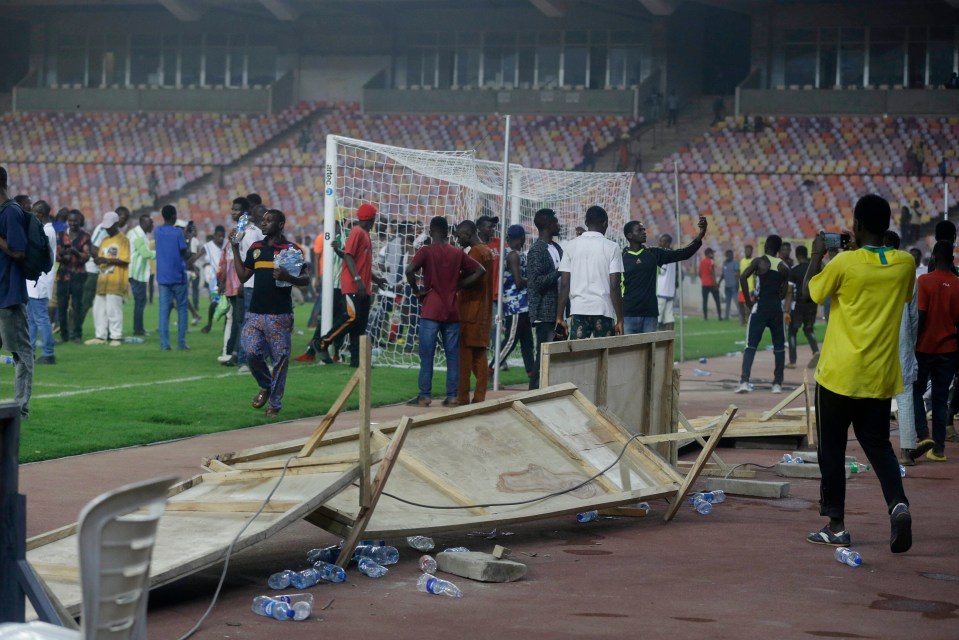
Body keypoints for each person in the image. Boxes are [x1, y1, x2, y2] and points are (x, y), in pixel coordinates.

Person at [802, 194, 914, 554]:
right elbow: (902, 292)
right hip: (879, 376)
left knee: (832, 449)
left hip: (838, 374)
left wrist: (819, 253)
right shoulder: (905, 263)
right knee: (879, 446)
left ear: (857, 226)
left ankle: (836, 526)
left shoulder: (845, 263)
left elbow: (811, 292)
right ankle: (898, 504)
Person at [232, 209, 308, 416]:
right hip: (255, 313)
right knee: (250, 352)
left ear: (281, 224)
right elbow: (242, 276)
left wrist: (288, 277)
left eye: (268, 221)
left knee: (280, 361)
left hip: (280, 315)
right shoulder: (256, 248)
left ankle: (274, 405)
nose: (263, 224)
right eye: (263, 221)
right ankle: (266, 385)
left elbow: (306, 280)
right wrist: (234, 247)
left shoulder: (291, 250)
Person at [405, 216, 484, 407]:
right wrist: (460, 285)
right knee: (453, 356)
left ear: (431, 232)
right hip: (452, 310)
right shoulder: (457, 252)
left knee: (427, 355)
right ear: (448, 232)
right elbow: (480, 270)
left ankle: (424, 396)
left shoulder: (426, 251)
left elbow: (409, 270)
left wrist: (416, 291)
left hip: (431, 308)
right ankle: (452, 396)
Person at [307, 203, 383, 368]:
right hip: (354, 285)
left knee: (359, 326)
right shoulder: (357, 232)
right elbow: (349, 257)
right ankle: (321, 342)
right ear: (372, 218)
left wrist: (376, 280)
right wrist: (357, 280)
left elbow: (360, 262)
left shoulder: (364, 234)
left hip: (363, 286)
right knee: (352, 317)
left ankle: (356, 362)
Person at [913, 240, 959, 462]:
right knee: (941, 399)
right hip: (949, 350)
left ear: (933, 258)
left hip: (924, 347)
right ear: (952, 260)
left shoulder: (924, 281)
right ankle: (939, 449)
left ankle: (923, 435)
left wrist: (914, 342)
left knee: (914, 391)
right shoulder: (958, 284)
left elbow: (921, 314)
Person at [883, 230, 925, 468]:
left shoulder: (873, 270)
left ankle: (880, 449)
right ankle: (907, 451)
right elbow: (914, 315)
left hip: (877, 339)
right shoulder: (908, 271)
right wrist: (911, 342)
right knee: (905, 393)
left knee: (877, 395)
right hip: (902, 339)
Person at [621, 218, 706, 334]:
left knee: (649, 352)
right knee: (627, 352)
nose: (644, 232)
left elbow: (682, 254)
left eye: (644, 229)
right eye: (639, 230)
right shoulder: (621, 257)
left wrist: (700, 236)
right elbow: (615, 286)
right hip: (628, 315)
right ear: (630, 235)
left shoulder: (654, 254)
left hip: (650, 314)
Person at [556, 206, 624, 339]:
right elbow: (615, 286)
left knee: (579, 357)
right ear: (605, 223)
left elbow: (564, 284)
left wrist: (559, 317)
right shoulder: (613, 247)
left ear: (586, 223)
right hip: (603, 310)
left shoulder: (571, 245)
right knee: (604, 355)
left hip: (578, 310)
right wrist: (620, 318)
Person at [736, 235, 791, 394]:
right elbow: (783, 292)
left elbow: (743, 277)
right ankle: (777, 384)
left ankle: (744, 381)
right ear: (779, 250)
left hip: (760, 308)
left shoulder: (759, 262)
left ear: (765, 245)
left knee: (750, 346)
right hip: (776, 308)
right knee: (779, 347)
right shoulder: (783, 267)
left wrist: (747, 301)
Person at [0, 166, 34, 418]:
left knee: (20, 352)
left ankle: (20, 408)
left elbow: (18, 251)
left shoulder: (11, 212)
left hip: (8, 293)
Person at [454, 220, 495, 404]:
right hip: (484, 310)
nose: (457, 239)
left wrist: (457, 284)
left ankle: (462, 396)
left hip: (470, 309)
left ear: (467, 234)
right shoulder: (487, 251)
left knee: (465, 355)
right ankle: (479, 396)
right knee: (479, 354)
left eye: (459, 235)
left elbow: (471, 275)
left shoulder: (475, 253)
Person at [492, 224, 535, 380]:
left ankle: (532, 372)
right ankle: (491, 368)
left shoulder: (517, 254)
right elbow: (518, 281)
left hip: (522, 304)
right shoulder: (513, 255)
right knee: (511, 339)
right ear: (522, 237)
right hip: (515, 304)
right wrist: (534, 281)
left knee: (527, 341)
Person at [526, 208, 563, 389]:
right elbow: (535, 283)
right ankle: (531, 396)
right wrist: (559, 272)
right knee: (542, 359)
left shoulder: (557, 248)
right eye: (555, 222)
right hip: (544, 312)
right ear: (548, 225)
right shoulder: (536, 250)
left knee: (557, 360)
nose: (559, 225)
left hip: (559, 311)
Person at [86, 211, 130, 346]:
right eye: (106, 227)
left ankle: (116, 336)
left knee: (114, 310)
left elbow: (125, 260)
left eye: (110, 226)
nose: (107, 229)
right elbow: (102, 258)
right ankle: (100, 336)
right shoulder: (104, 241)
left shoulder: (123, 240)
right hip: (103, 279)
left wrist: (105, 259)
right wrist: (99, 260)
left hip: (116, 280)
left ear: (116, 224)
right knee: (98, 309)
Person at [155, 205, 190, 351]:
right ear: (174, 216)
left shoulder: (157, 231)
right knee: (182, 309)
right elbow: (184, 252)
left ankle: (164, 345)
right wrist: (188, 238)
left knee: (163, 310)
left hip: (163, 276)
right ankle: (181, 343)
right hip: (178, 275)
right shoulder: (177, 233)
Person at [236, 204, 267, 372]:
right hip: (252, 284)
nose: (265, 220)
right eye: (262, 217)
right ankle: (243, 360)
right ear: (255, 218)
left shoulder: (261, 233)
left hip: (260, 284)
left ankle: (257, 359)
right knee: (250, 323)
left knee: (263, 323)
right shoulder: (252, 234)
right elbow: (259, 257)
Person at [26, 200, 57, 365]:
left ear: (43, 214)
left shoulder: (46, 231)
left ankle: (48, 352)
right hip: (34, 282)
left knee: (41, 318)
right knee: (31, 319)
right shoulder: (45, 229)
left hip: (40, 281)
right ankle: (29, 351)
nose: (33, 215)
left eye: (35, 213)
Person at [55, 210, 91, 343]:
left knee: (77, 306)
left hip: (78, 275)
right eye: (70, 220)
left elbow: (86, 257)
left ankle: (77, 335)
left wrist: (74, 251)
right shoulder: (60, 235)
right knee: (62, 306)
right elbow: (57, 255)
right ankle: (64, 336)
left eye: (75, 220)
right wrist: (69, 253)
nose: (72, 223)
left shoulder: (85, 236)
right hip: (63, 275)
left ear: (80, 221)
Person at [786, 245, 819, 368]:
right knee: (808, 328)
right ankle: (815, 350)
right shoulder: (813, 269)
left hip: (798, 304)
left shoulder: (794, 270)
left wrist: (786, 310)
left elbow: (790, 291)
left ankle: (793, 361)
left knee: (792, 331)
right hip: (812, 304)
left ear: (797, 255)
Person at [126, 214, 155, 337]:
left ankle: (139, 328)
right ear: (143, 223)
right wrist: (162, 253)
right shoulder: (138, 235)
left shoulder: (137, 233)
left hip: (137, 272)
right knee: (140, 301)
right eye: (150, 223)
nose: (152, 225)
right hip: (136, 272)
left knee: (140, 301)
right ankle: (138, 329)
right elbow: (144, 253)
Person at [200, 225, 225, 334]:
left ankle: (226, 327)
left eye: (222, 236)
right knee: (215, 302)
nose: (221, 238)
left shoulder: (227, 245)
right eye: (219, 236)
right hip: (214, 282)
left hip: (227, 280)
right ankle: (209, 323)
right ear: (215, 235)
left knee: (228, 305)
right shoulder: (208, 246)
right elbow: (196, 256)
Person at [655, 234, 679, 331]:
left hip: (661, 290)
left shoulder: (663, 254)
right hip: (670, 290)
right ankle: (670, 340)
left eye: (662, 241)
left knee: (658, 316)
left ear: (668, 243)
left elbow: (661, 271)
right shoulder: (673, 254)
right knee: (669, 316)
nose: (659, 243)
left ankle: (656, 340)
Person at [699, 248, 721, 320]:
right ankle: (719, 316)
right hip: (711, 284)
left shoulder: (702, 262)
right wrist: (716, 283)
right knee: (717, 300)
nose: (713, 255)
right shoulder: (710, 261)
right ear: (709, 254)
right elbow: (712, 273)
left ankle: (705, 317)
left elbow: (699, 273)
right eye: (712, 253)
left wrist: (703, 280)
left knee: (705, 301)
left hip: (704, 284)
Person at [719, 249, 739, 321]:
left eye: (730, 255)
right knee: (727, 302)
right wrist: (719, 282)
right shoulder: (725, 263)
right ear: (726, 255)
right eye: (728, 255)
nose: (729, 256)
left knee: (737, 301)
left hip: (733, 285)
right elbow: (723, 274)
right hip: (727, 286)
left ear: (732, 256)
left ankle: (741, 315)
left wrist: (737, 284)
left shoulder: (735, 263)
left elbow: (737, 274)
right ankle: (726, 316)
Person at [737, 245, 754, 326]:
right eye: (746, 250)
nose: (747, 252)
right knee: (741, 305)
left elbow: (754, 275)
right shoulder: (742, 261)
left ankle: (749, 321)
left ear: (751, 251)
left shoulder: (753, 261)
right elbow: (740, 272)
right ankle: (743, 321)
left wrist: (754, 287)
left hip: (750, 287)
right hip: (741, 287)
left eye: (749, 250)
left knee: (748, 305)